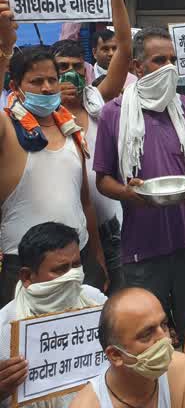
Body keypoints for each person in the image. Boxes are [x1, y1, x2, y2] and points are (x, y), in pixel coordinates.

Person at [93, 27, 185, 346]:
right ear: (136, 67)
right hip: (143, 245)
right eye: (160, 60)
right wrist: (130, 194)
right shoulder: (112, 114)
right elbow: (102, 180)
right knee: (146, 334)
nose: (169, 66)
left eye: (173, 59)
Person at [0, 34, 107, 305]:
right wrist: (4, 47)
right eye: (36, 82)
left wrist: (96, 255)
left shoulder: (71, 129)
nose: (47, 88)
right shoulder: (7, 129)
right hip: (25, 270)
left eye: (52, 80)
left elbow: (85, 202)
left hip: (78, 260)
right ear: (15, 86)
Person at [53, 0, 133, 293]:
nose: (71, 73)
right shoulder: (39, 119)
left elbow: (125, 49)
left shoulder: (96, 101)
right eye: (62, 68)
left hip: (113, 229)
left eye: (76, 67)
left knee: (116, 306)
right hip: (67, 239)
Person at [0, 223, 107, 408]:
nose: (73, 275)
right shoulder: (4, 328)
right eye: (61, 269)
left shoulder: (94, 301)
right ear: (27, 277)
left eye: (76, 265)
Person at [71, 288, 185, 408]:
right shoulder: (87, 404)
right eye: (147, 334)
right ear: (115, 355)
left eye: (163, 325)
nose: (163, 338)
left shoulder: (179, 369)